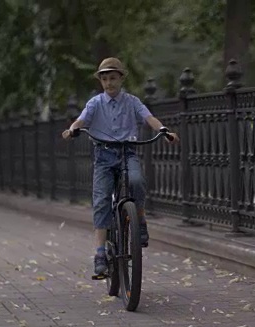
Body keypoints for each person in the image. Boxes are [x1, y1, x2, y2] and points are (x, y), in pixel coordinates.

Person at [62, 57, 179, 275]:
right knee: (101, 200)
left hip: (127, 152)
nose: (109, 83)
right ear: (101, 81)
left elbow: (149, 117)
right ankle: (99, 253)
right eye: (105, 79)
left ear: (121, 79)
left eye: (113, 78)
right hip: (104, 156)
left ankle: (140, 220)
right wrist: (72, 129)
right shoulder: (95, 103)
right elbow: (82, 120)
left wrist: (164, 130)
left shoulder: (132, 101)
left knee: (136, 180)